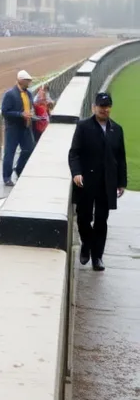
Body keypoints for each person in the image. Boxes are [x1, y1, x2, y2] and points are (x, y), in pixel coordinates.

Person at [68, 92, 127, 271]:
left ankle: (97, 257)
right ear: (94, 107)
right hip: (86, 182)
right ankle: (86, 243)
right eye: (101, 106)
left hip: (106, 183)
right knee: (84, 218)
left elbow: (120, 158)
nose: (105, 109)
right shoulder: (83, 127)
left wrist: (121, 182)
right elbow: (74, 153)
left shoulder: (116, 129)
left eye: (107, 106)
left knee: (102, 220)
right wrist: (76, 172)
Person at [0, 69, 35, 186]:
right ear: (20, 80)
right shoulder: (10, 94)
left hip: (26, 127)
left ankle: (19, 168)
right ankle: (7, 177)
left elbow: (30, 107)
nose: (29, 82)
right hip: (13, 128)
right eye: (27, 80)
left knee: (29, 149)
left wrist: (31, 113)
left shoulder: (29, 94)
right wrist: (20, 115)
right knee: (9, 153)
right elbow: (5, 112)